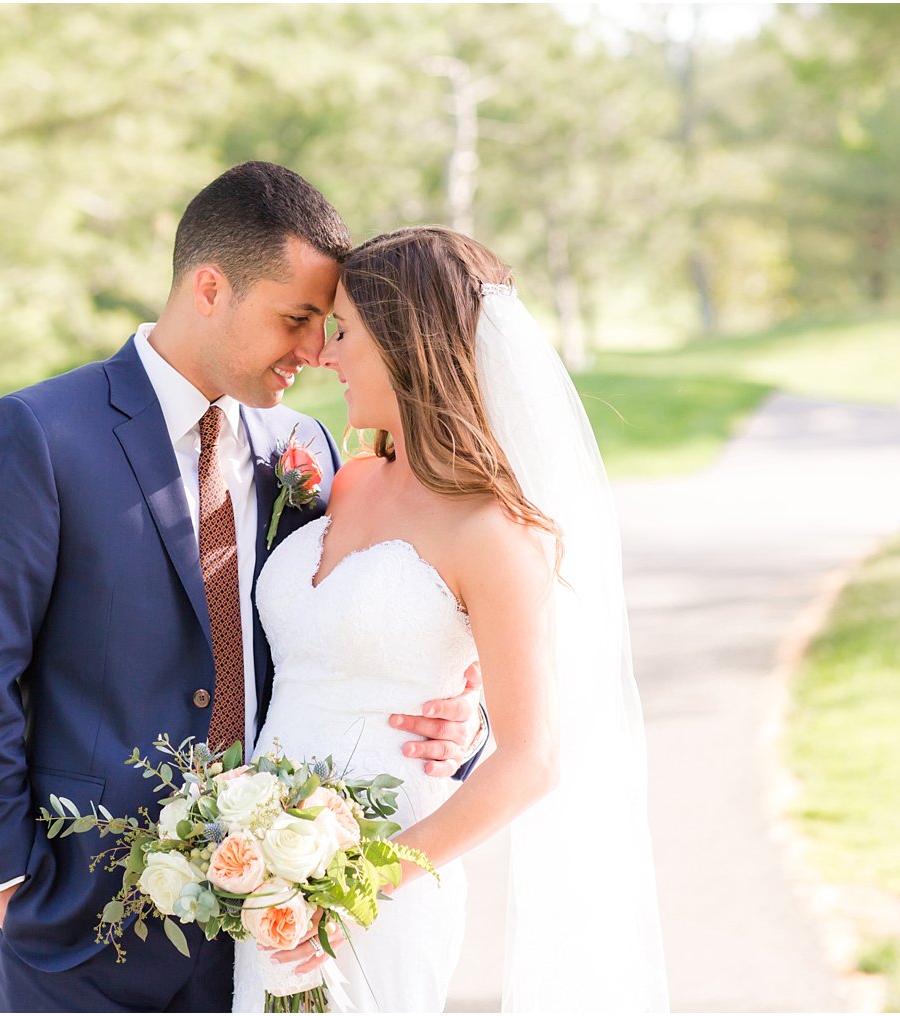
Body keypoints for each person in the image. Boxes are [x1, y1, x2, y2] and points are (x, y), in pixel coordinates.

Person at [0, 163, 488, 1013]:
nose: (313, 353)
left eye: (324, 326)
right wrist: (7, 879)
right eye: (296, 320)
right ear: (210, 287)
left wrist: (458, 718)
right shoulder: (42, 434)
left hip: (270, 926)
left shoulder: (308, 446)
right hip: (82, 927)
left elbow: (362, 626)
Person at [231, 226, 669, 1011]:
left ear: (408, 348)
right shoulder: (345, 479)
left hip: (383, 882)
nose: (327, 355)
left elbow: (530, 759)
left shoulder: (497, 534)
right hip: (262, 872)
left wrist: (356, 881)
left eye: (346, 334)